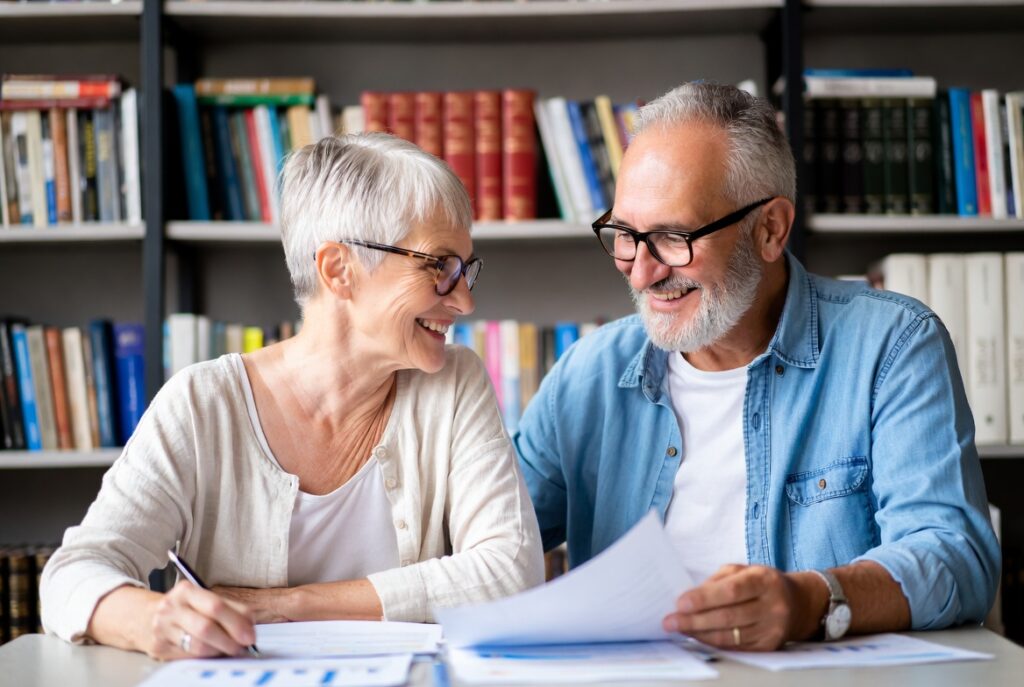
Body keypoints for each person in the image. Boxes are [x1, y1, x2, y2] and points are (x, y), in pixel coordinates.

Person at [514, 82, 1000, 651]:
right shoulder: (588, 374)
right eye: (625, 235)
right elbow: (489, 540)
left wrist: (810, 602)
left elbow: (954, 555)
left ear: (770, 228)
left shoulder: (893, 345)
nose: (640, 273)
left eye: (673, 237)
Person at [41, 133, 544, 660]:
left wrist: (291, 604)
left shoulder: (454, 384)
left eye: (465, 269)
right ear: (338, 269)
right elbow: (72, 574)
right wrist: (153, 620)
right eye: (439, 267)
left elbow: (512, 571)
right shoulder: (202, 405)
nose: (464, 300)